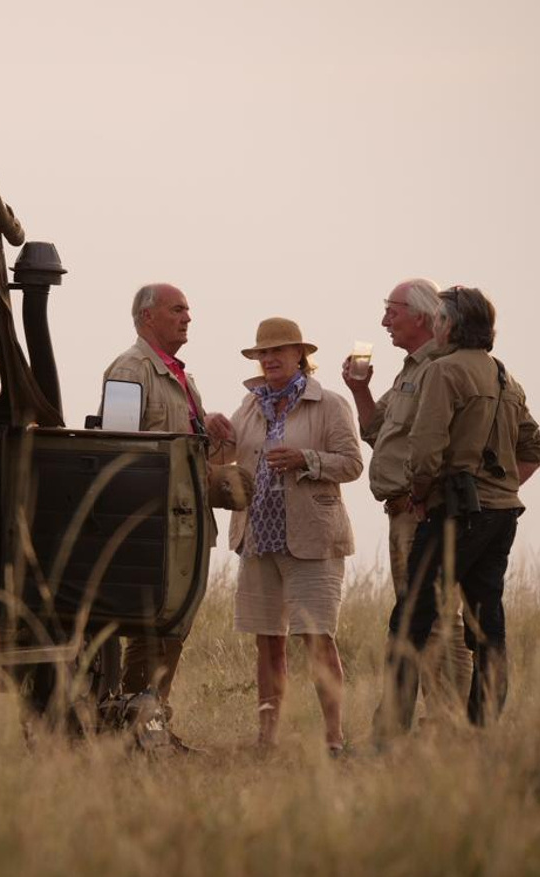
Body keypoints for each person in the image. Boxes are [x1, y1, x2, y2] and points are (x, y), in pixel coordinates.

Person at [376, 286, 540, 736]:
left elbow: (425, 451)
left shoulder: (444, 371)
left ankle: (387, 737)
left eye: (439, 320)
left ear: (449, 325)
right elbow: (534, 448)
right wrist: (500, 487)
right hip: (501, 514)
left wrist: (420, 491)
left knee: (410, 621)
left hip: (452, 514)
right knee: (486, 625)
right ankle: (480, 729)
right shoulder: (506, 377)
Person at [226, 318, 362, 753]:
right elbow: (225, 457)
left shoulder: (330, 404)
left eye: (278, 351)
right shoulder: (248, 407)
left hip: (312, 538)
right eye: (263, 353)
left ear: (300, 355)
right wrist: (211, 438)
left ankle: (333, 738)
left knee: (318, 639)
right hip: (257, 536)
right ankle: (266, 738)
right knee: (268, 642)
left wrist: (306, 459)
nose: (269, 359)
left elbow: (352, 464)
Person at [342, 278, 473, 718]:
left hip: (424, 511)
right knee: (418, 617)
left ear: (421, 316)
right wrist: (360, 390)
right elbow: (377, 433)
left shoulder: (442, 367)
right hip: (402, 512)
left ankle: (448, 721)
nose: (384, 321)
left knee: (438, 621)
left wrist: (427, 496)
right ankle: (419, 722)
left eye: (391, 311)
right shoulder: (410, 369)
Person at [100, 283, 232, 715]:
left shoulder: (180, 376)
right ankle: (134, 722)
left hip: (186, 522)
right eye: (177, 309)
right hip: (155, 523)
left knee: (174, 623)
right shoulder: (129, 369)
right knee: (152, 622)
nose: (188, 317)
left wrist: (207, 428)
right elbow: (117, 450)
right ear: (147, 317)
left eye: (188, 310)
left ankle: (150, 719)